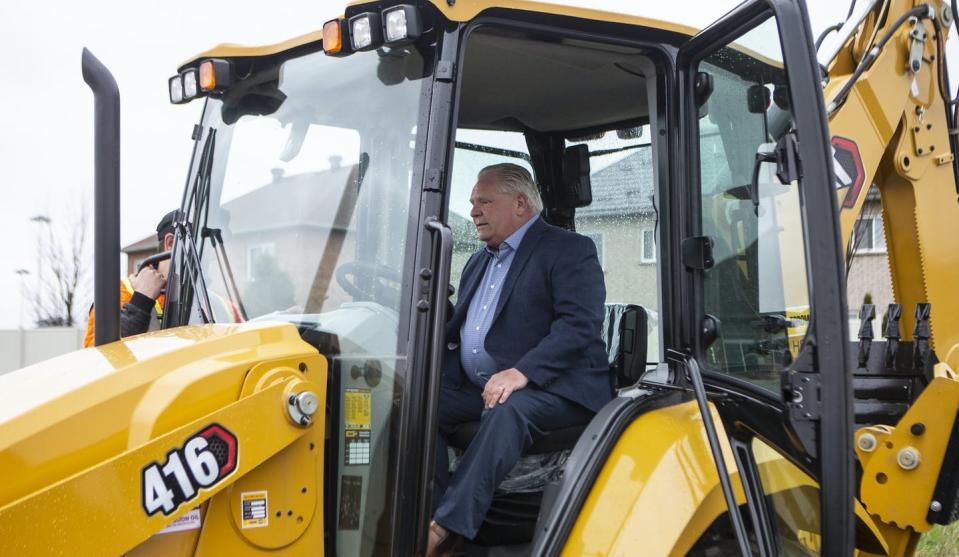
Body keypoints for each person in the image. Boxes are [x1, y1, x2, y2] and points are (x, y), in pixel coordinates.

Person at [427, 163, 610, 555]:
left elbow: (580, 324)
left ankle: (446, 528)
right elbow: (460, 327)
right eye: (473, 202)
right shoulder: (478, 261)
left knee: (509, 410)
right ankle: (428, 512)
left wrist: (522, 371)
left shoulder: (568, 249)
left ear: (521, 204)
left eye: (485, 202)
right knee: (421, 403)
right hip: (486, 386)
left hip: (559, 387)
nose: (474, 211)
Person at [83, 210, 178, 347]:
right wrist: (141, 302)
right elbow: (98, 358)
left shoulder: (211, 302)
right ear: (171, 243)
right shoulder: (119, 294)